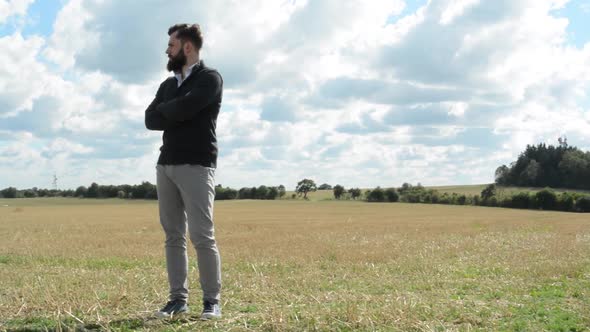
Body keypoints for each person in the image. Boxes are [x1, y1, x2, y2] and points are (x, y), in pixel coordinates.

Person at [145, 23, 223, 320]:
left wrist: (172, 110)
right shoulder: (168, 84)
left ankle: (211, 302)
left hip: (196, 164)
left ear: (187, 47)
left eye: (172, 45)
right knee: (173, 236)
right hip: (166, 164)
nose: (167, 49)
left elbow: (180, 111)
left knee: (202, 236)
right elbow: (150, 119)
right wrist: (175, 109)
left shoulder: (210, 79)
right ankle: (177, 300)